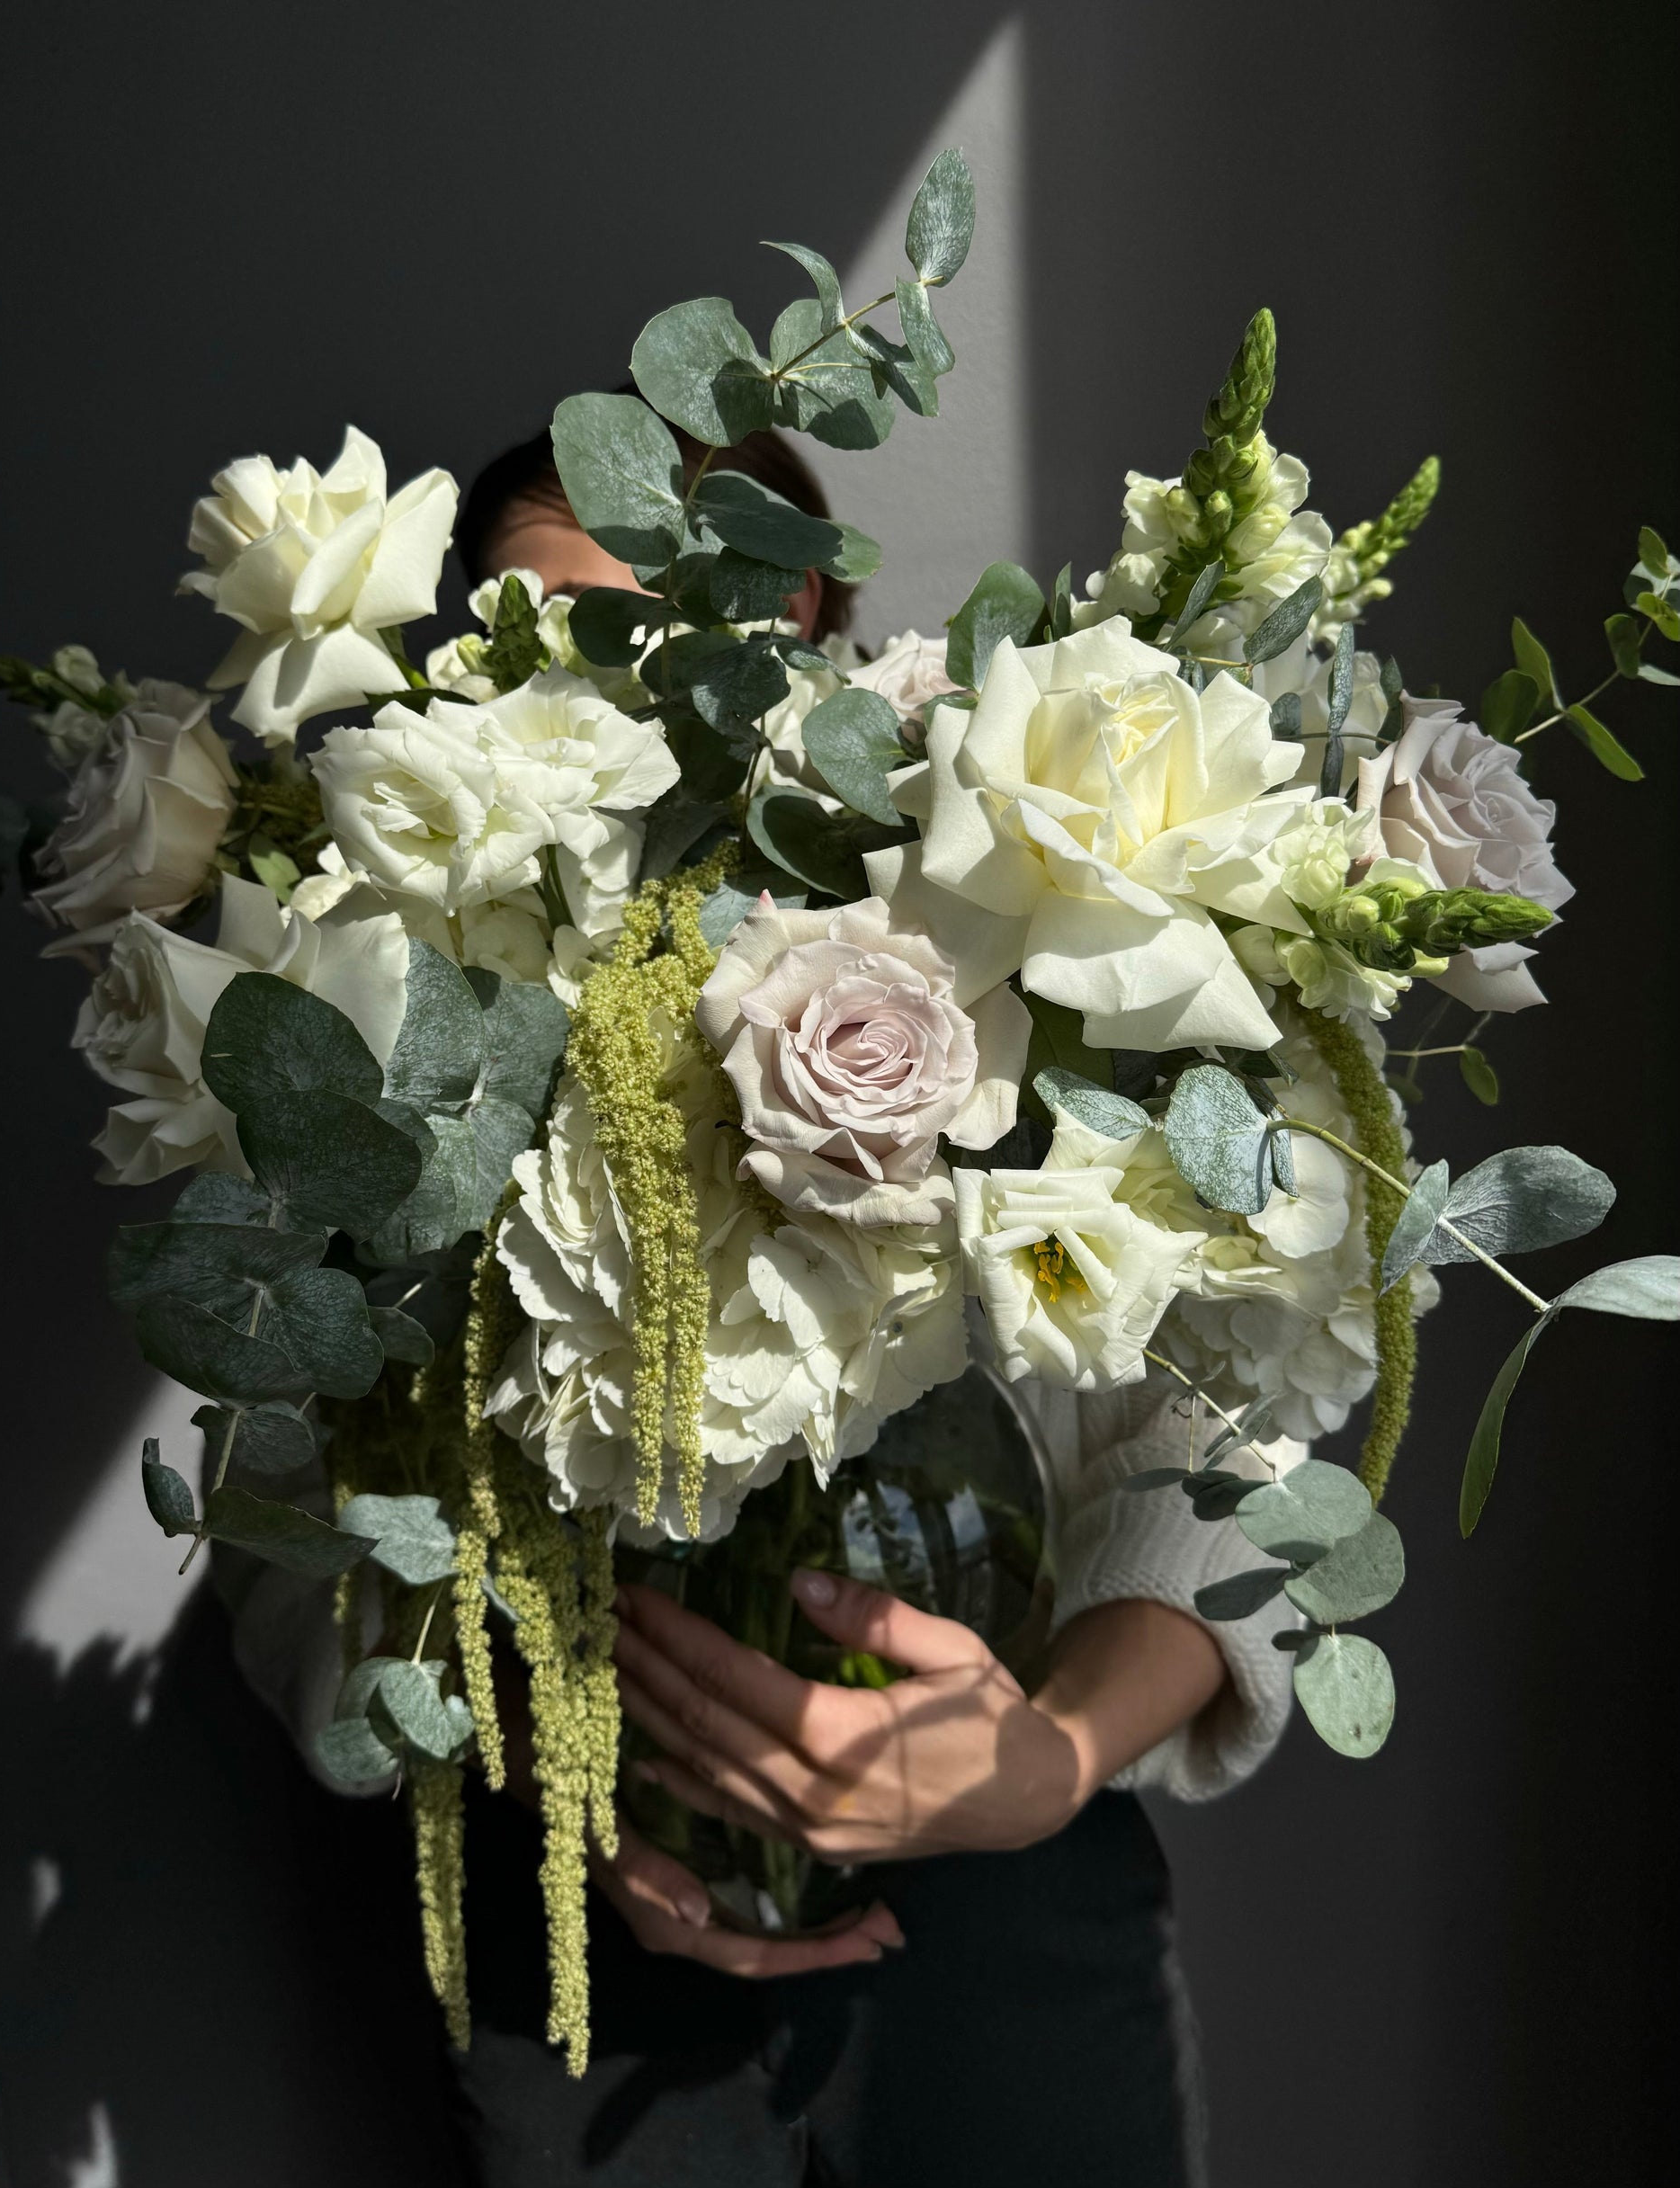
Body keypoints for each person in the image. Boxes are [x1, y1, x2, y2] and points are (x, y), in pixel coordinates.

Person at [228, 417, 1298, 2188]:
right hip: (591, 1935)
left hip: (1010, 1908)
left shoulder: (1018, 928)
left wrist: (1049, 1752)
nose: (593, 677)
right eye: (529, 626)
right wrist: (554, 1768)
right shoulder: (390, 1010)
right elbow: (285, 1514)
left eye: (653, 606)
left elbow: (1227, 1424)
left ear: (800, 608)